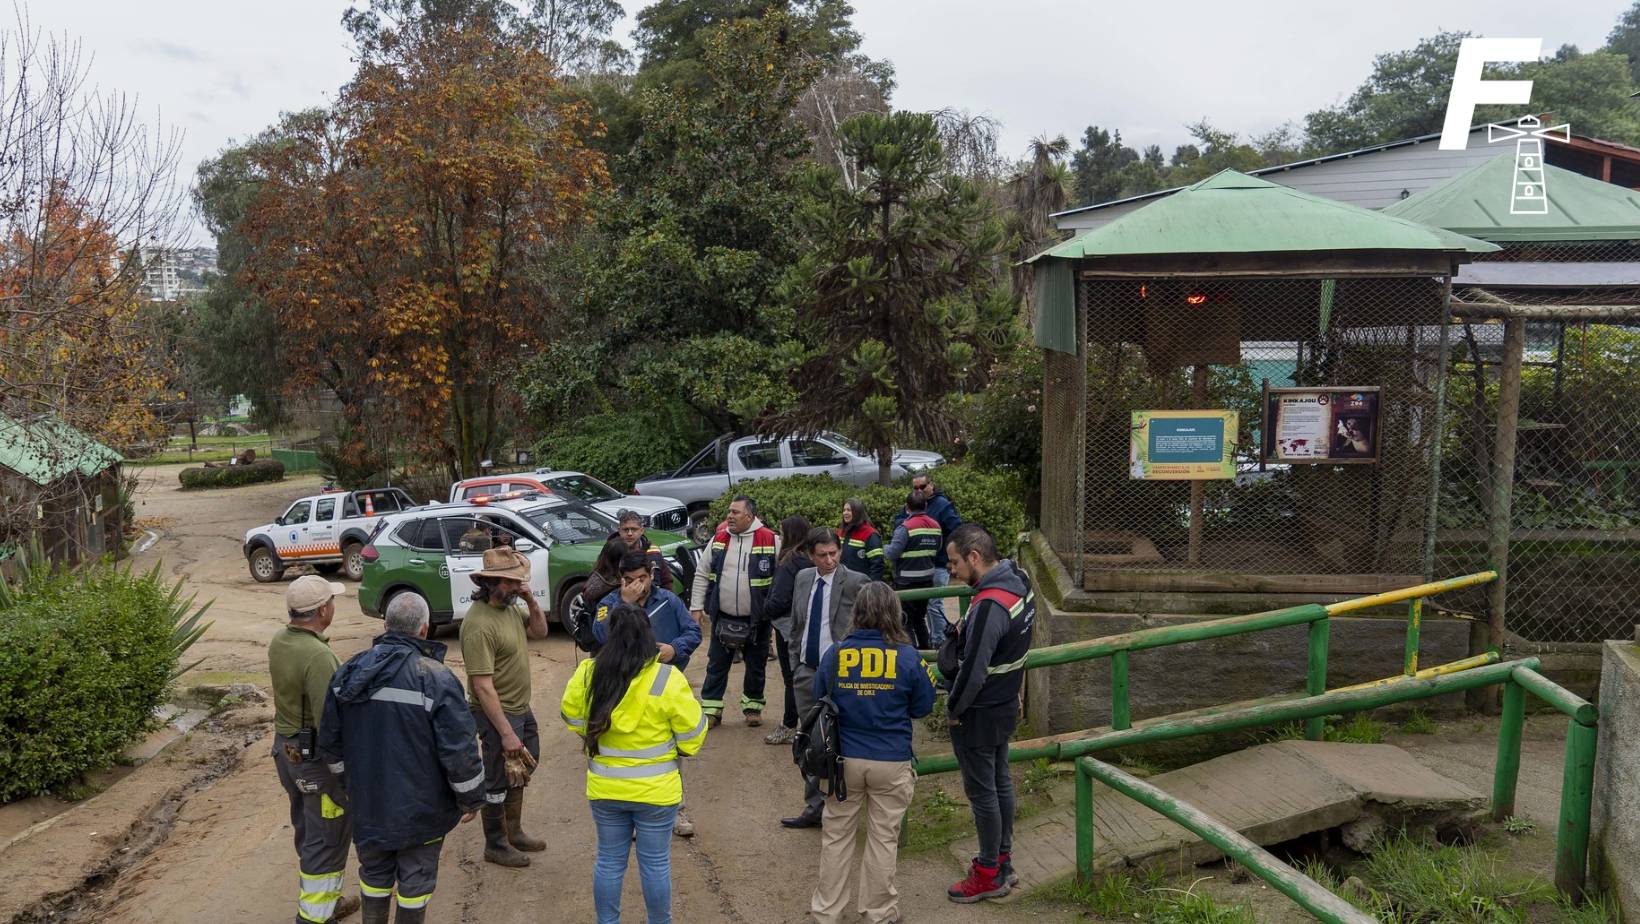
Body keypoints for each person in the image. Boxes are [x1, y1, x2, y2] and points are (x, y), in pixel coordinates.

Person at [319, 593, 485, 924]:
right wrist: (470, 799)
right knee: (415, 882)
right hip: (421, 811)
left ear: (386, 625)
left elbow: (331, 743)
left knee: (374, 875)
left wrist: (347, 786)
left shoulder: (348, 672)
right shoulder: (435, 677)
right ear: (424, 630)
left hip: (369, 806)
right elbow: (459, 748)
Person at [560, 604, 708, 924]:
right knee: (655, 864)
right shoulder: (667, 678)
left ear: (610, 636)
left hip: (606, 788)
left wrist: (594, 731)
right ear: (648, 636)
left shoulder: (589, 672)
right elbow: (692, 738)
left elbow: (571, 715)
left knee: (609, 862)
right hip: (657, 793)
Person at [810, 583, 936, 924]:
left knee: (836, 836)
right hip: (891, 759)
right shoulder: (909, 657)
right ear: (894, 612)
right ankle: (879, 912)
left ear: (857, 611)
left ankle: (827, 912)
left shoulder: (836, 653)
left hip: (843, 761)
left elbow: (819, 696)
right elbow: (924, 705)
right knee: (883, 838)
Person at [943, 524, 1036, 903]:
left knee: (983, 794)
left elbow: (974, 670)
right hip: (1005, 703)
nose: (951, 570)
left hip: (978, 713)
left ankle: (986, 874)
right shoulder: (1020, 580)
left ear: (974, 558)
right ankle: (1003, 863)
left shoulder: (988, 605)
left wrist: (953, 709)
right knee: (1001, 785)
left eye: (954, 562)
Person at [268, 575, 359, 924]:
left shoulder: (280, 641)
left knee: (309, 829)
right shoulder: (318, 655)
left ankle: (329, 904)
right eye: (332, 602)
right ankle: (315, 917)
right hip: (315, 762)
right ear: (323, 610)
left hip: (287, 753)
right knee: (327, 837)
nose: (333, 606)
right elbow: (330, 723)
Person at [595, 550, 704, 838]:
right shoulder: (609, 603)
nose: (637, 585)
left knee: (669, 754)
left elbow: (693, 632)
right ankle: (630, 816)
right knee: (626, 754)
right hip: (622, 690)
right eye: (629, 580)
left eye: (642, 579)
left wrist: (675, 648)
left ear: (652, 575)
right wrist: (625, 603)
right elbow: (599, 636)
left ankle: (677, 811)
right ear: (621, 578)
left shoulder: (668, 601)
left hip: (663, 689)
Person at [458, 547, 550, 868]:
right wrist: (507, 733)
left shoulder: (511, 608)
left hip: (519, 706)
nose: (516, 587)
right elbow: (482, 686)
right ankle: (495, 844)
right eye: (510, 583)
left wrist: (531, 600)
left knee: (523, 766)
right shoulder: (479, 624)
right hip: (496, 713)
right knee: (498, 777)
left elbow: (540, 631)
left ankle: (514, 831)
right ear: (490, 582)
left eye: (518, 582)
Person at [780, 527, 869, 829]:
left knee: (844, 738)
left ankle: (846, 807)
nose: (829, 560)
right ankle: (814, 807)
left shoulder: (856, 582)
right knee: (810, 741)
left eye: (834, 553)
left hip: (841, 674)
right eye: (822, 555)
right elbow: (796, 624)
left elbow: (870, 624)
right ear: (810, 555)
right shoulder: (804, 578)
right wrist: (796, 663)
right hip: (807, 670)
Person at [690, 495, 778, 728]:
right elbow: (701, 573)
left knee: (756, 666)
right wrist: (696, 607)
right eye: (729, 511)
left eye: (735, 512)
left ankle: (753, 708)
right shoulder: (719, 539)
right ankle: (711, 710)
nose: (729, 516)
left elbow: (783, 579)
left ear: (749, 516)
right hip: (723, 616)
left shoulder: (770, 540)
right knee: (716, 665)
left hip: (757, 620)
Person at [760, 515, 814, 746]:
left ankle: (790, 726)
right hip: (807, 626)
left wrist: (766, 609)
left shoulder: (789, 561)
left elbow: (779, 599)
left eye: (782, 533)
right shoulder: (810, 559)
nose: (780, 538)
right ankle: (810, 724)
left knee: (791, 678)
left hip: (786, 627)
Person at [894, 473, 964, 646]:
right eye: (915, 488)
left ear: (931, 485)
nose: (919, 490)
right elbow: (898, 524)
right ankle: (933, 643)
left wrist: (951, 558)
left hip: (938, 564)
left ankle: (940, 643)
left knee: (934, 605)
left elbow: (957, 530)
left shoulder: (942, 505)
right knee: (921, 613)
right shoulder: (910, 505)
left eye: (922, 487)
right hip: (922, 568)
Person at [883, 491, 941, 650]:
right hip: (927, 581)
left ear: (907, 507)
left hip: (906, 582)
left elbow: (892, 553)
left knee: (905, 620)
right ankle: (927, 651)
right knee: (920, 619)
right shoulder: (936, 526)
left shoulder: (905, 527)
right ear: (926, 505)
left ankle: (911, 653)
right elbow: (938, 548)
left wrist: (883, 547)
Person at [614, 509, 671, 588]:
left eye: (634, 529)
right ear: (619, 531)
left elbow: (667, 581)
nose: (629, 533)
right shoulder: (612, 553)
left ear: (641, 531)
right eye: (625, 530)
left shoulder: (654, 551)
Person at [837, 498, 884, 582]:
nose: (845, 513)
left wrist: (871, 587)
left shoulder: (870, 534)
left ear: (857, 512)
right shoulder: (840, 532)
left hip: (862, 585)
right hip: (842, 583)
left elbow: (877, 565)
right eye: (844, 510)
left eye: (849, 510)